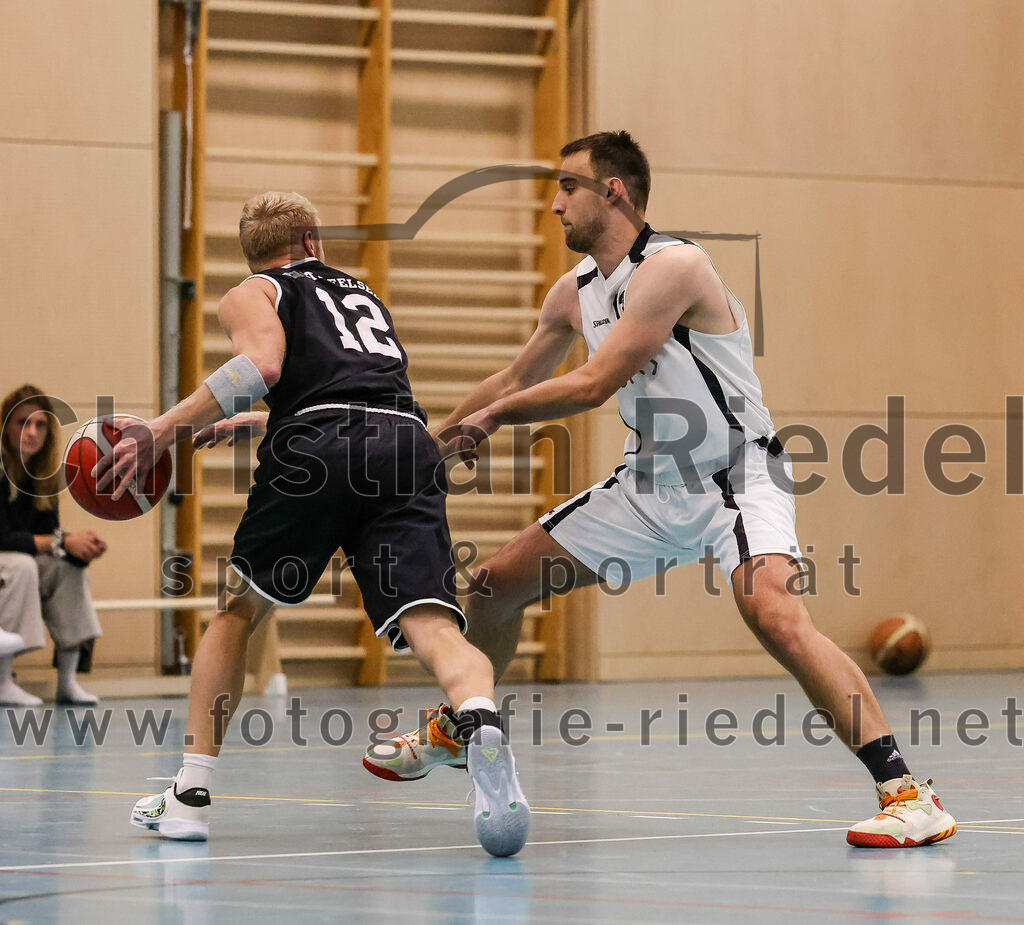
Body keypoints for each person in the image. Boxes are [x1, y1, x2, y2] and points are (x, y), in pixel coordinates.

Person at [361, 131, 957, 850]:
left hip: (735, 476)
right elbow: (513, 380)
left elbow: (594, 383)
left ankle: (907, 793)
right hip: (647, 488)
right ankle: (460, 725)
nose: (554, 206)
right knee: (490, 585)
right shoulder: (573, 291)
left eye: (566, 187)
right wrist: (430, 443)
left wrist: (493, 419)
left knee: (774, 614)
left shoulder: (676, 266)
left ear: (612, 190)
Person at [94, 192, 529, 856]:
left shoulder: (253, 291)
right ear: (312, 239)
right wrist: (259, 420)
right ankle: (478, 719)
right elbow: (353, 392)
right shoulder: (362, 296)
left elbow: (261, 367)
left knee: (237, 612)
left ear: (255, 251)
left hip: (320, 449)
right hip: (405, 441)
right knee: (434, 623)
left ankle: (188, 795)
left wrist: (160, 430)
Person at [0, 385, 106, 706]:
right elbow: (3, 538)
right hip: (9, 565)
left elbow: (49, 539)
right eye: (23, 423)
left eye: (40, 424)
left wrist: (77, 550)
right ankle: (3, 682)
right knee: (22, 564)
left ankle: (67, 681)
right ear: (5, 426)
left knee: (66, 569)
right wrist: (62, 541)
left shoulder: (43, 478)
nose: (32, 432)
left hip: (16, 564)